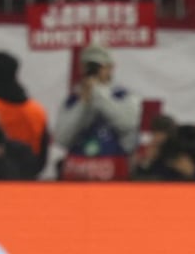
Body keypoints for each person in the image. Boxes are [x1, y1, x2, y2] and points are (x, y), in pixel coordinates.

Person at [55, 44, 141, 181]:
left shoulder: (124, 97)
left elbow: (127, 123)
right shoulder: (73, 100)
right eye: (89, 66)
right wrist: (83, 104)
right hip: (77, 170)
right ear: (81, 68)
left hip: (112, 169)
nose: (93, 71)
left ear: (110, 68)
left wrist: (98, 93)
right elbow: (62, 138)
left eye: (98, 66)